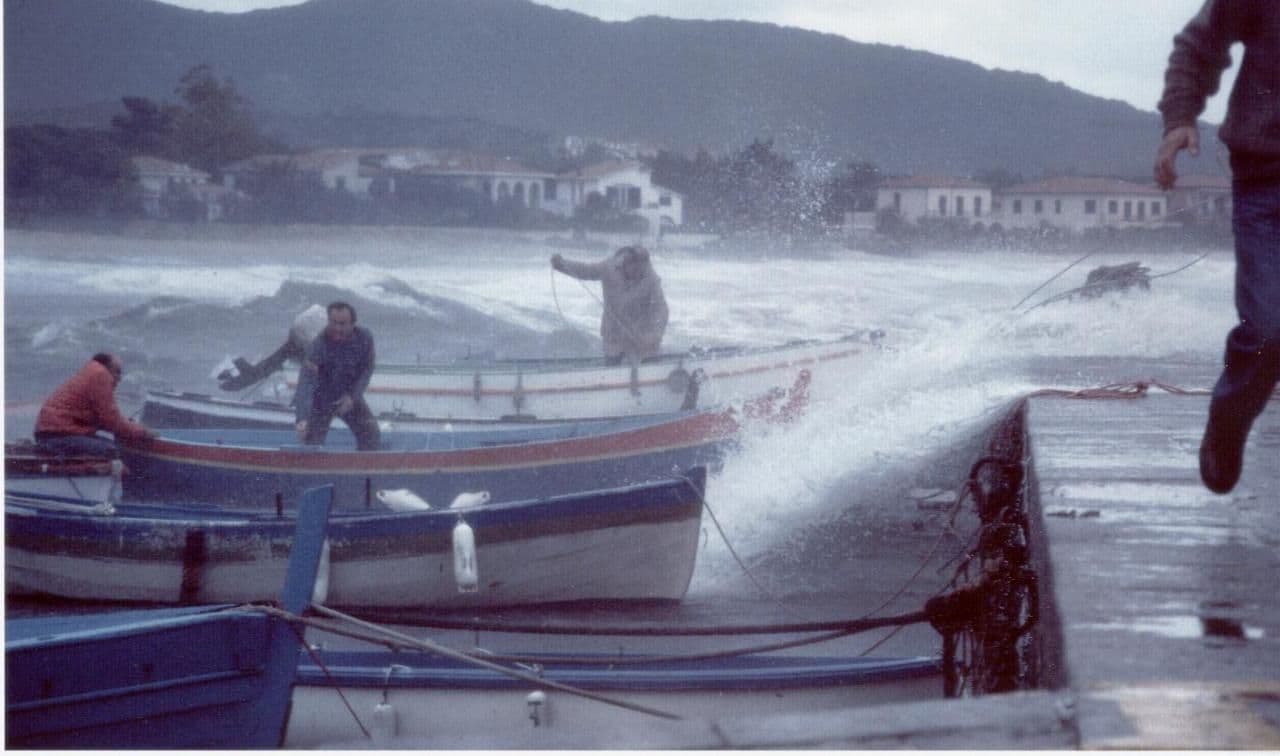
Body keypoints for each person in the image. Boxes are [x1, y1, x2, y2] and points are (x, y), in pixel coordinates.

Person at [1155, 0, 1280, 494]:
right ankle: (1229, 418)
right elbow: (1199, 44)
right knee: (1269, 329)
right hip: (1266, 177)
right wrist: (1179, 117)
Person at [551, 245, 669, 364]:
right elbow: (587, 271)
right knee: (613, 367)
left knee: (649, 367)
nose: (637, 274)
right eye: (635, 270)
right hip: (614, 334)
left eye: (641, 270)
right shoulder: (608, 267)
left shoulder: (651, 278)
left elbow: (661, 309)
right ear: (626, 263)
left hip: (642, 335)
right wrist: (562, 265)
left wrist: (655, 335)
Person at [294, 301, 381, 451]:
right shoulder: (318, 345)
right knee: (311, 444)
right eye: (333, 323)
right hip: (321, 401)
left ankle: (364, 465)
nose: (337, 328)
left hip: (348, 397)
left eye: (343, 324)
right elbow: (306, 382)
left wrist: (353, 397)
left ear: (353, 324)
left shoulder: (364, 338)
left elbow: (367, 368)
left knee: (371, 434)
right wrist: (302, 418)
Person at [33, 352, 155, 457]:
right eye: (117, 372)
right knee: (113, 451)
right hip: (58, 436)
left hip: (49, 433)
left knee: (111, 445)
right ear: (106, 368)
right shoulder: (100, 374)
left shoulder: (89, 373)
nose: (120, 378)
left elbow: (103, 420)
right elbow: (112, 420)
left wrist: (130, 426)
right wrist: (142, 432)